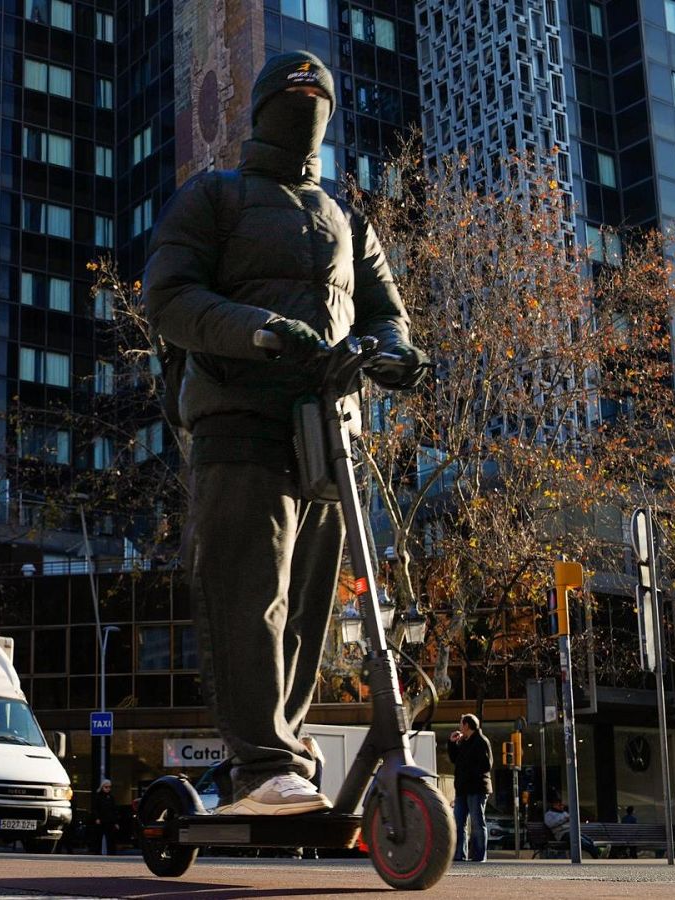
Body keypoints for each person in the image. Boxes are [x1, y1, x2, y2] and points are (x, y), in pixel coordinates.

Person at [144, 49, 426, 817]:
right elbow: (167, 297)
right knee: (249, 594)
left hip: (326, 432)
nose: (307, 102)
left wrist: (396, 355)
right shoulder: (215, 198)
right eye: (294, 90)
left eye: (319, 94)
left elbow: (387, 314)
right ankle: (259, 763)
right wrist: (260, 330)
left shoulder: (346, 219)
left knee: (308, 608)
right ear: (266, 107)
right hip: (239, 421)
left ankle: (284, 758)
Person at [446, 714, 493, 862]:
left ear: (466, 725)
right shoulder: (464, 742)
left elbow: (486, 765)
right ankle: (459, 854)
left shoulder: (481, 741)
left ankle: (480, 857)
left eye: (461, 724)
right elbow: (454, 759)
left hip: (477, 789)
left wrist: (470, 773)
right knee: (459, 823)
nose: (460, 727)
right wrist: (452, 743)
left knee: (477, 822)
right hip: (462, 790)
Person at [88, 779, 121, 854]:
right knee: (98, 838)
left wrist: (116, 822)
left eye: (109, 787)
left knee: (111, 839)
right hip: (101, 820)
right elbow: (95, 808)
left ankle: (111, 853)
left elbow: (114, 810)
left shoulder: (111, 797)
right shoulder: (98, 797)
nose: (108, 789)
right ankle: (97, 852)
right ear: (102, 787)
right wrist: (97, 818)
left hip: (110, 821)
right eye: (106, 787)